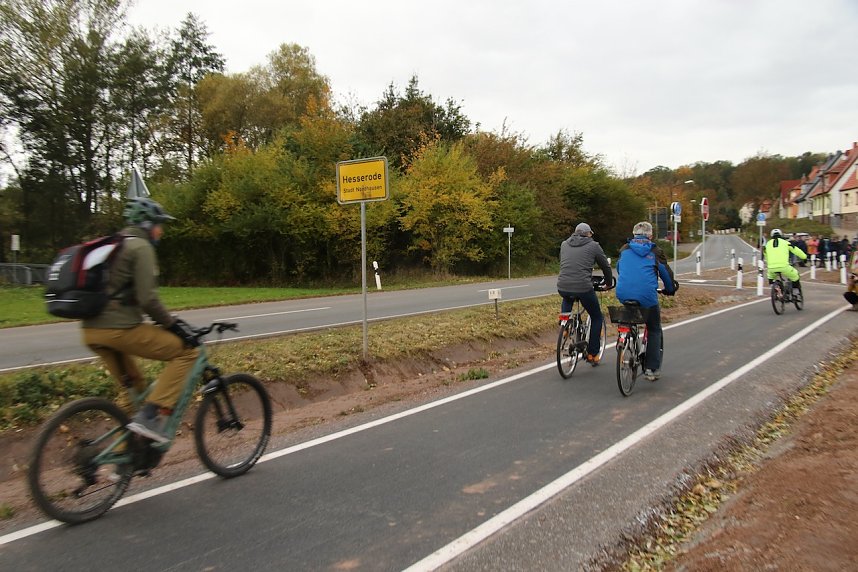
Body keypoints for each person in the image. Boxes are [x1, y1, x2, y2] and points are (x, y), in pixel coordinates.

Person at [81, 197, 200, 443]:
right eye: (159, 225)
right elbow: (147, 298)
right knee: (188, 352)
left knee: (133, 388)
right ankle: (152, 414)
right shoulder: (141, 247)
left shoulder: (114, 245)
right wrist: (173, 325)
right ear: (148, 225)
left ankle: (122, 458)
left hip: (91, 331)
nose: (161, 231)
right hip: (118, 329)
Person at [615, 221, 677, 381]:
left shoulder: (624, 249)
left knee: (630, 317)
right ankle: (652, 369)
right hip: (647, 297)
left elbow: (620, 269)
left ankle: (626, 338)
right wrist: (670, 289)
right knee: (654, 328)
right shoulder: (655, 250)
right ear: (650, 236)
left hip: (624, 294)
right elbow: (666, 275)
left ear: (634, 234)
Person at [556, 222, 613, 365]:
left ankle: (565, 324)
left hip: (563, 285)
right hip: (583, 287)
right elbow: (605, 266)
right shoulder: (593, 245)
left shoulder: (564, 244)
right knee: (596, 316)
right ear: (588, 234)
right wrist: (608, 283)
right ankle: (593, 353)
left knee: (568, 296)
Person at [763, 228, 807, 296]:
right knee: (795, 276)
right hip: (784, 267)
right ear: (781, 235)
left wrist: (769, 264)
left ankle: (775, 290)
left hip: (771, 268)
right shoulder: (785, 242)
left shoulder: (767, 244)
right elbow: (795, 250)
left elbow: (765, 255)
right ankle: (795, 291)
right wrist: (804, 257)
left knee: (771, 279)